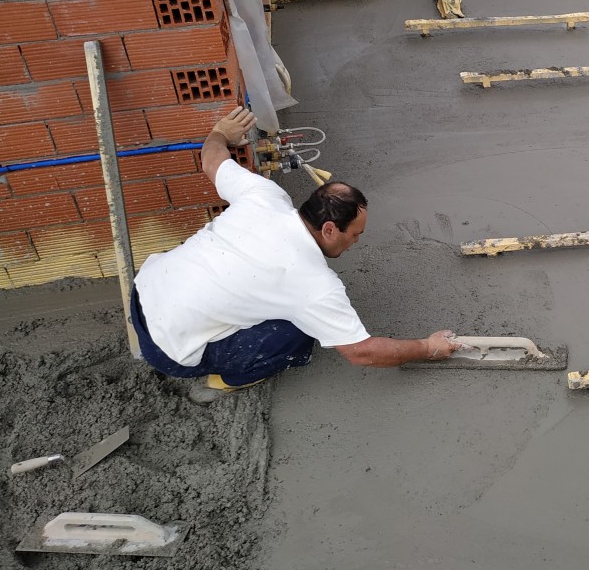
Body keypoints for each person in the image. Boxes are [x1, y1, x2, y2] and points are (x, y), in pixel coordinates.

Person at [131, 106, 461, 404]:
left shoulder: (263, 194)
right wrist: (428, 347)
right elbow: (362, 352)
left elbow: (212, 160)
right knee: (297, 335)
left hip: (143, 290)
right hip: (167, 352)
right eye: (355, 234)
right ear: (330, 229)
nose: (358, 241)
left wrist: (220, 132)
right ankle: (225, 381)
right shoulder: (313, 285)